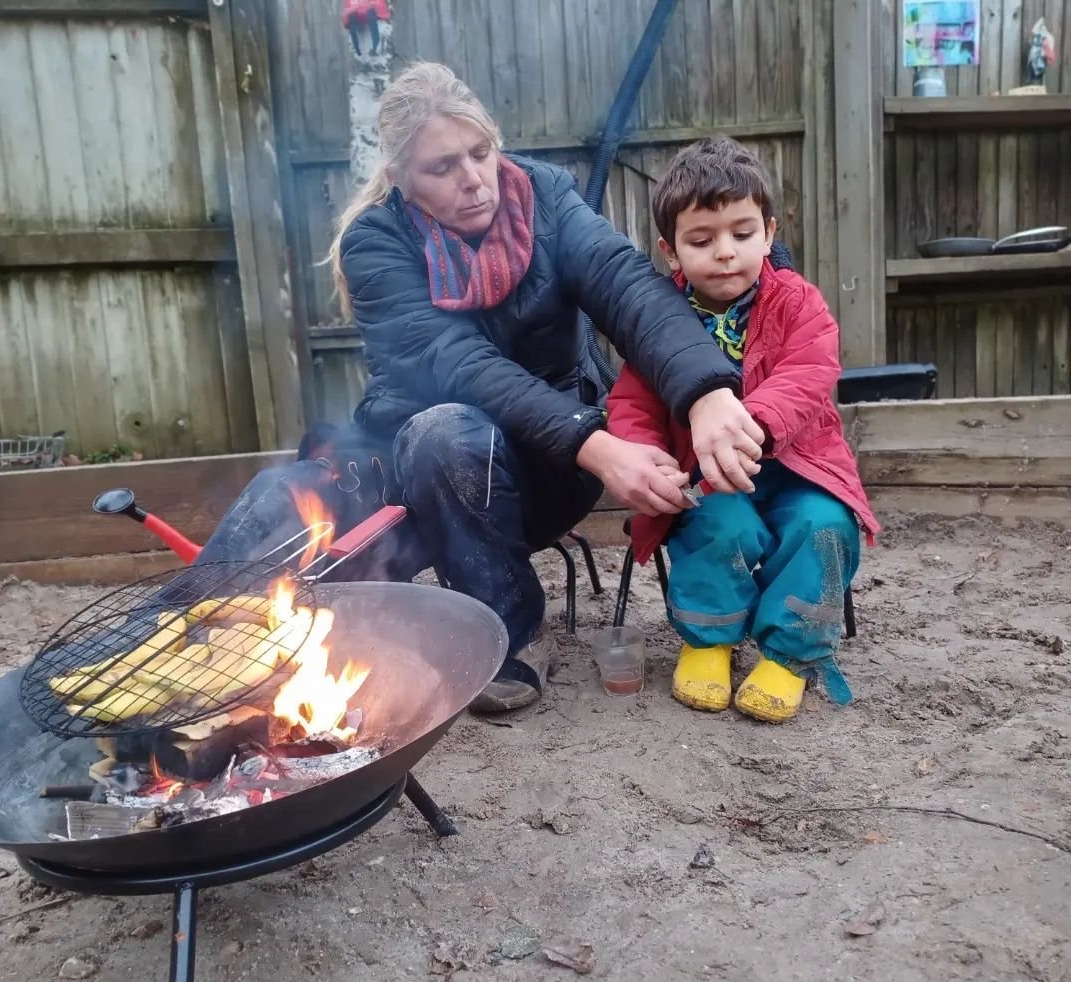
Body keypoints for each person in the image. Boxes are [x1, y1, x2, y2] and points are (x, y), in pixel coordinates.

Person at [314, 63, 771, 716]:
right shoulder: (375, 243)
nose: (474, 180)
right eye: (442, 168)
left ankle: (498, 628)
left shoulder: (545, 196)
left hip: (550, 471)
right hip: (433, 480)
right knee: (437, 436)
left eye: (480, 153)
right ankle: (507, 627)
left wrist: (707, 392)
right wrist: (601, 444)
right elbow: (458, 362)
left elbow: (627, 285)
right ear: (399, 182)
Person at [607, 138, 880, 723]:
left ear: (769, 230)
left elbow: (810, 373)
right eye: (702, 241)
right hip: (711, 475)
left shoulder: (797, 303)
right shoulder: (658, 321)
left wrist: (749, 425)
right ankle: (710, 641)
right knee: (714, 523)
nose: (725, 253)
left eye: (742, 233)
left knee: (824, 525)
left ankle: (789, 655)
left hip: (801, 465)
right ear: (671, 250)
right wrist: (645, 455)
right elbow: (632, 401)